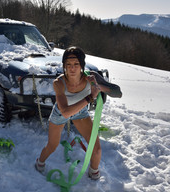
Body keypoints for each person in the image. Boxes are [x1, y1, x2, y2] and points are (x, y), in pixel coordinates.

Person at [35, 46, 122, 180]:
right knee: (52, 146)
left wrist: (98, 87)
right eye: (68, 64)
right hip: (60, 114)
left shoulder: (92, 77)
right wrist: (90, 97)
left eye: (76, 64)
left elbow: (117, 93)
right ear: (64, 66)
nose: (72, 68)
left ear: (82, 65)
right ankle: (40, 162)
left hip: (81, 113)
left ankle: (93, 174)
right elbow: (65, 112)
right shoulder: (59, 83)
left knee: (96, 149)